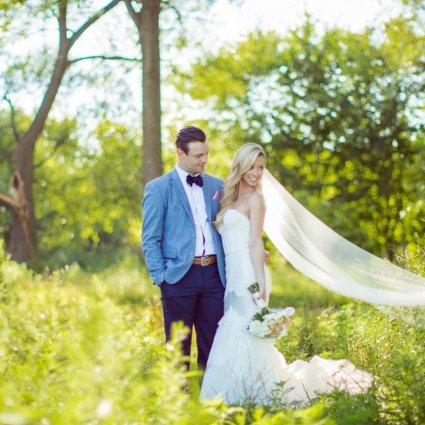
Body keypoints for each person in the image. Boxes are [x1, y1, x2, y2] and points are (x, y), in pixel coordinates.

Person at [200, 143, 373, 406]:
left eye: (261, 168)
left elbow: (255, 242)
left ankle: (249, 394)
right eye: (253, 167)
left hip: (249, 276)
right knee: (234, 328)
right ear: (241, 165)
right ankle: (234, 394)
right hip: (232, 277)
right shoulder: (227, 198)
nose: (257, 173)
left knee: (245, 330)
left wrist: (260, 283)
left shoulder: (257, 200)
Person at [141, 126, 225, 369]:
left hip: (214, 276)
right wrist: (162, 277)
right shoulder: (158, 188)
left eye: (206, 153)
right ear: (180, 153)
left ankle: (206, 400)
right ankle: (177, 401)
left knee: (213, 343)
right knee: (178, 347)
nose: (204, 160)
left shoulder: (218, 186)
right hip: (178, 277)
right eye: (198, 155)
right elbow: (150, 238)